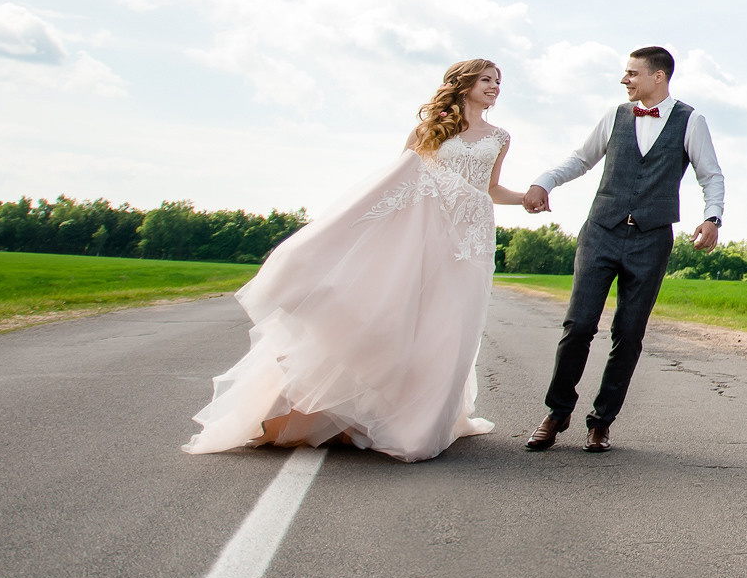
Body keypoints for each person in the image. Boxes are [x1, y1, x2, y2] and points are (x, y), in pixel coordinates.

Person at [185, 59, 540, 462]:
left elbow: (490, 188)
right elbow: (399, 180)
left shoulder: (500, 137)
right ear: (464, 83)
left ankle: (427, 420)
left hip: (470, 243)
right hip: (423, 238)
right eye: (487, 79)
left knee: (452, 328)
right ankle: (377, 417)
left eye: (499, 81)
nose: (495, 86)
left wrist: (527, 197)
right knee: (402, 320)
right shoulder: (431, 129)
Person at [520, 45, 724, 454]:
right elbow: (581, 159)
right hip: (601, 231)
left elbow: (711, 175)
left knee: (628, 334)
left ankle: (601, 421)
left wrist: (712, 217)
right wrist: (544, 181)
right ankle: (557, 412)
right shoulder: (615, 116)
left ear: (658, 77)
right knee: (578, 325)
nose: (624, 80)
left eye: (632, 73)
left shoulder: (691, 120)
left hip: (651, 240)